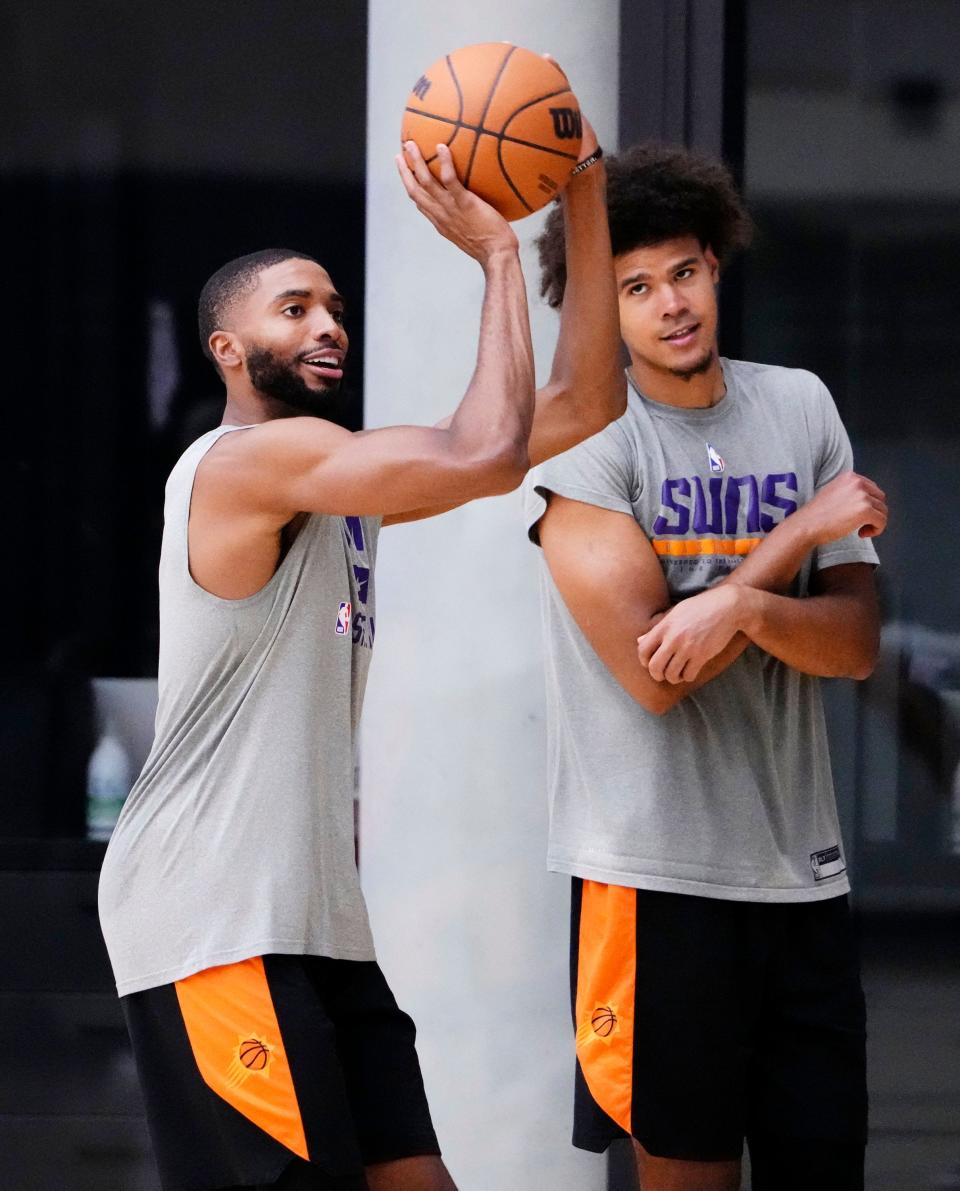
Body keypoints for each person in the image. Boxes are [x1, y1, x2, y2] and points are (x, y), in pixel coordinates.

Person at [98, 118, 624, 1191]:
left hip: (321, 926)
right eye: (296, 309)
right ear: (228, 351)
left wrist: (583, 190)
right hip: (213, 918)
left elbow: (589, 403)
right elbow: (484, 453)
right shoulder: (251, 461)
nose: (330, 322)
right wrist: (492, 255)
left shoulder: (341, 485)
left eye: (336, 305)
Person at [524, 142, 888, 1191]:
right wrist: (780, 560)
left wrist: (734, 602)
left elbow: (854, 644)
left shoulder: (799, 407)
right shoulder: (587, 449)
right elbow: (656, 671)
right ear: (606, 308)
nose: (668, 304)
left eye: (683, 271)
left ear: (717, 267)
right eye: (633, 287)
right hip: (655, 882)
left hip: (803, 878)